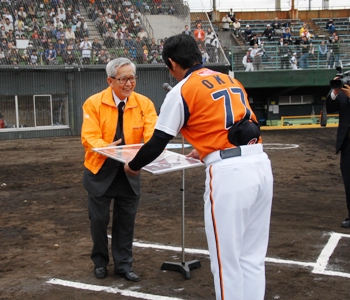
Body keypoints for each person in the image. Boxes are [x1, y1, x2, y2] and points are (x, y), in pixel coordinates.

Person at [124, 34, 273, 300]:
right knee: (252, 256)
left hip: (230, 174)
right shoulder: (230, 78)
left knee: (226, 263)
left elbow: (157, 142)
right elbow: (239, 126)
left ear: (172, 62)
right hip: (259, 163)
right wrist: (205, 148)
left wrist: (133, 166)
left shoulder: (183, 88)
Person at [81, 57, 157, 282]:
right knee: (98, 221)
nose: (129, 83)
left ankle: (124, 265)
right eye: (123, 79)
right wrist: (107, 148)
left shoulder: (144, 104)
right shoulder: (93, 103)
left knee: (126, 222)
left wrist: (150, 151)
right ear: (110, 80)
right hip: (100, 171)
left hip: (129, 172)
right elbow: (89, 136)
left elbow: (153, 133)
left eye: (132, 78)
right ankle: (100, 262)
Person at [326, 81, 350, 228]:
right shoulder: (343, 90)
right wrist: (334, 93)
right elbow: (330, 108)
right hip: (347, 143)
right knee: (348, 181)